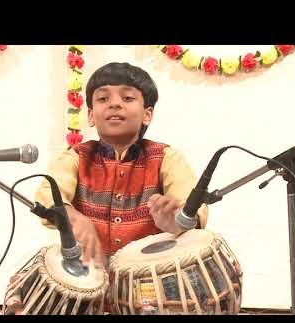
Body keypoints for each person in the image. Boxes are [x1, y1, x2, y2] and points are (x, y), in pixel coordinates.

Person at [35, 62, 208, 268]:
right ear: (90, 116)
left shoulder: (165, 158)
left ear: (147, 114)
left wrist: (176, 222)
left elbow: (193, 208)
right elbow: (48, 195)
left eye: (127, 98)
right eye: (103, 98)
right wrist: (72, 217)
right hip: (91, 276)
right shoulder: (76, 157)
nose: (114, 104)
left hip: (150, 278)